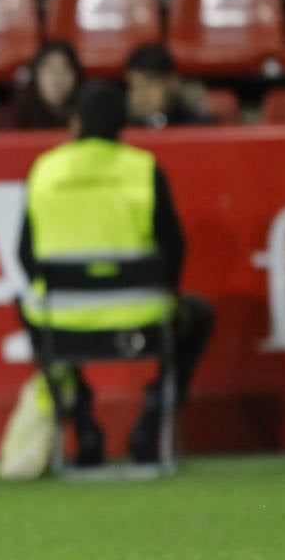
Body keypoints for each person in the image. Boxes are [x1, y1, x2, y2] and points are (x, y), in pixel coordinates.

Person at [18, 80, 214, 466]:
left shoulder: (46, 169)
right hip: (142, 320)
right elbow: (173, 245)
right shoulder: (142, 169)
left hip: (63, 323)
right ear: (123, 124)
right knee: (200, 315)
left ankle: (84, 423)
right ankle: (153, 419)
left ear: (75, 122)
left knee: (28, 310)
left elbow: (25, 255)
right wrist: (165, 297)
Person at [124, 43, 215, 128]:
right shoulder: (120, 129)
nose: (141, 95)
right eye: (133, 87)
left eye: (149, 84)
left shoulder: (199, 126)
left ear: (171, 82)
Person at [9, 40, 82, 130]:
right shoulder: (14, 118)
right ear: (36, 76)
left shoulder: (88, 116)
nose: (57, 79)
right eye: (49, 70)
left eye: (65, 69)